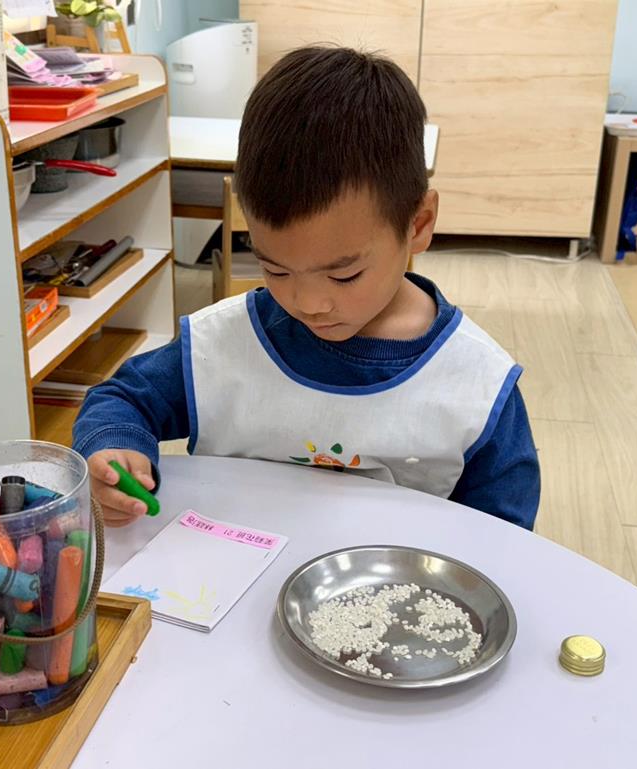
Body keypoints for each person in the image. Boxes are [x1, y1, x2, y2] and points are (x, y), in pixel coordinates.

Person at [73, 46, 540, 529]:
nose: (307, 304)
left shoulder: (477, 385)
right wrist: (114, 449)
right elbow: (124, 399)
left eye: (343, 275)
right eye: (275, 269)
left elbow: (504, 536)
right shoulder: (224, 344)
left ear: (418, 225)